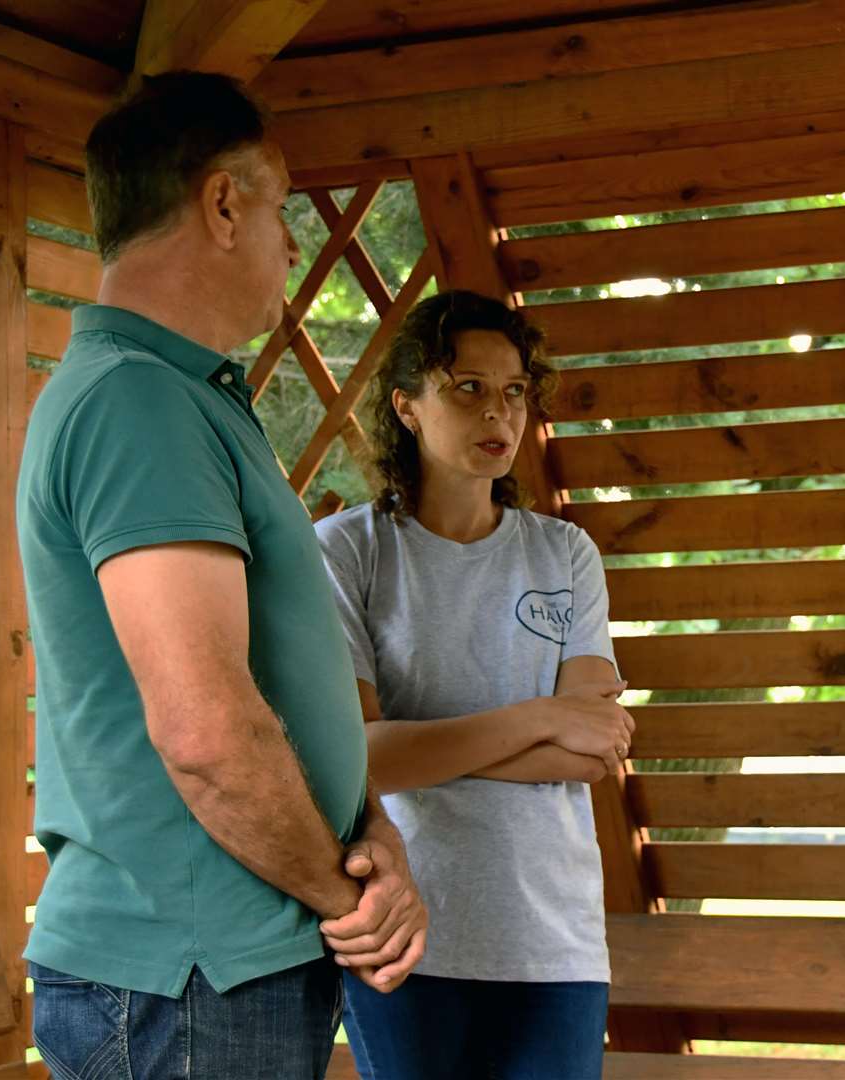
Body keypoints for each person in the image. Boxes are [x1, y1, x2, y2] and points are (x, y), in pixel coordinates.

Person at [17, 72, 426, 1080]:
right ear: (221, 203)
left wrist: (369, 836)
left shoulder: (181, 398)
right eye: (280, 206)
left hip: (216, 965)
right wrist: (348, 904)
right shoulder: (137, 406)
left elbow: (288, 688)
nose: (294, 245)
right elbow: (206, 732)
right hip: (184, 981)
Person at [315, 288, 633, 1080]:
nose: (499, 413)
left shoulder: (565, 555)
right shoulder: (347, 552)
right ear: (407, 407)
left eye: (515, 391)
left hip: (555, 941)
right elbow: (356, 757)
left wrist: (419, 744)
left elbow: (592, 753)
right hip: (406, 932)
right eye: (468, 387)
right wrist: (544, 714)